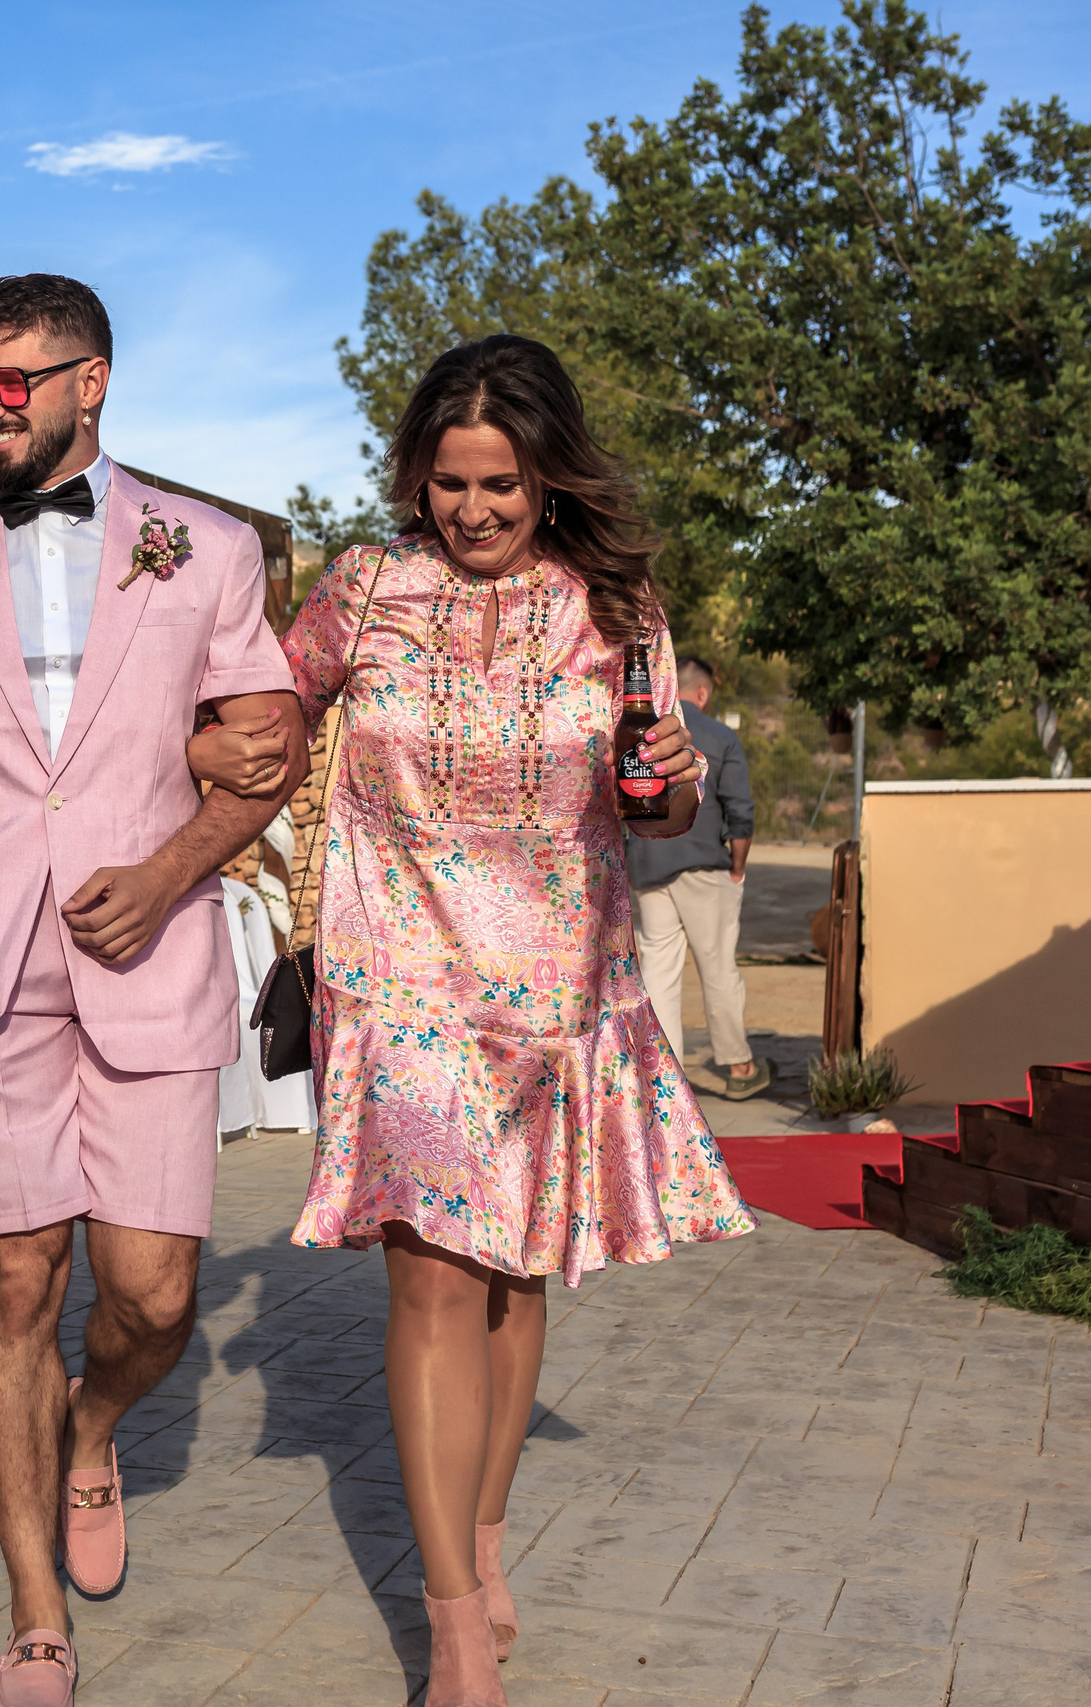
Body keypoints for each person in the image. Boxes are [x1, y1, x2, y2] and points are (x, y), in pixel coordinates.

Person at [197, 335, 753, 1705]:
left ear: (550, 473)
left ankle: (485, 1532)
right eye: (450, 482)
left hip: (560, 984)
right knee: (432, 1277)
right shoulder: (363, 588)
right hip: (398, 982)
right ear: (416, 476)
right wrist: (209, 749)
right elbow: (254, 717)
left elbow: (657, 807)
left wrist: (676, 777)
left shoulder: (615, 606)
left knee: (512, 1276)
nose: (476, 510)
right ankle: (451, 1625)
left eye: (501, 482)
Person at [0, 274, 304, 1707]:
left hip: (149, 956)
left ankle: (93, 1426)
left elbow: (266, 748)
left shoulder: (208, 547)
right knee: (15, 1278)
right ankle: (36, 1612)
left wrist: (168, 871)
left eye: (11, 382)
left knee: (155, 1295)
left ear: (89, 382)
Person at [629, 657, 765, 1098]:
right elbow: (738, 811)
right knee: (718, 967)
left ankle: (666, 1079)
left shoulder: (645, 735)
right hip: (705, 868)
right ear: (703, 692)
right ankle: (739, 1068)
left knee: (659, 974)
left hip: (648, 867)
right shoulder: (721, 737)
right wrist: (738, 867)